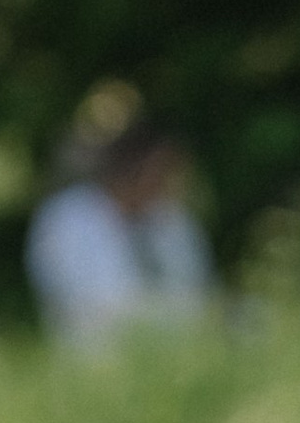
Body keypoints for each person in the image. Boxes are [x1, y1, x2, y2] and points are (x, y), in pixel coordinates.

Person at [25, 119, 217, 347]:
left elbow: (199, 293)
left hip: (179, 356)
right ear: (134, 171)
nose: (172, 185)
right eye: (163, 173)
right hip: (97, 362)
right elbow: (94, 308)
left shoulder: (174, 221)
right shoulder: (66, 220)